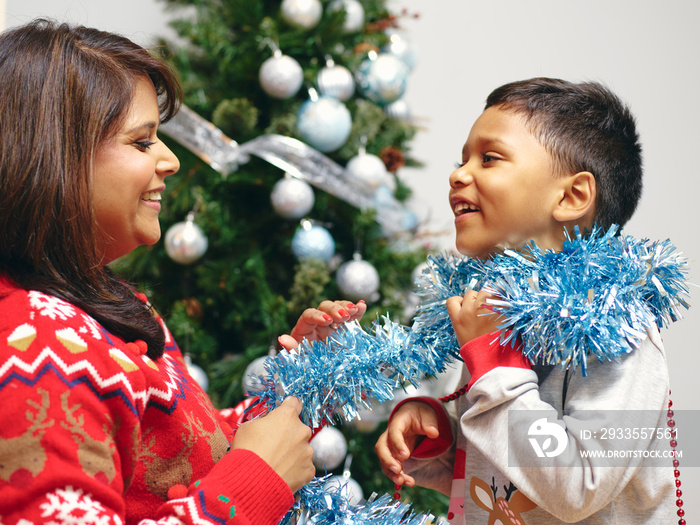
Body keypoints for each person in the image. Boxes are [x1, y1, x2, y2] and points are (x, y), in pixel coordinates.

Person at [0, 19, 366, 524]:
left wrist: (297, 382)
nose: (170, 160)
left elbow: (190, 462)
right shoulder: (37, 340)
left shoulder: (111, 305)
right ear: (56, 156)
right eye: (142, 141)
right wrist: (257, 478)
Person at [375, 78, 677, 523]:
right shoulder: (496, 315)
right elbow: (511, 474)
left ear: (572, 196)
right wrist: (445, 444)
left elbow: (576, 487)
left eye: (489, 158)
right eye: (462, 160)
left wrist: (494, 368)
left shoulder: (619, 332)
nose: (458, 174)